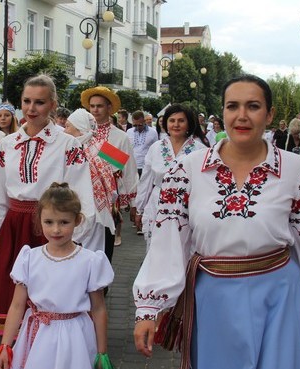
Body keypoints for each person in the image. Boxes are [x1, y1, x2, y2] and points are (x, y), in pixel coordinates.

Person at [133, 75, 300, 369]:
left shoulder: (297, 171)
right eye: (233, 106)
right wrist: (150, 307)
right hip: (213, 300)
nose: (241, 116)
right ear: (222, 113)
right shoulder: (188, 169)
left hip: (279, 297)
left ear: (270, 114)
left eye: (253, 106)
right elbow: (168, 240)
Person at [0, 75, 95, 369]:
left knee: (46, 316)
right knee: (16, 314)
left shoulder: (68, 145)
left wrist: (74, 246)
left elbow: (81, 198)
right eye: (27, 101)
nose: (31, 109)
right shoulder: (6, 145)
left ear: (53, 106)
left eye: (40, 103)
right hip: (14, 230)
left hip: (51, 230)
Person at [0, 183, 114, 369]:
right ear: (39, 221)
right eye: (49, 222)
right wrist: (6, 345)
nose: (56, 229)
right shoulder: (30, 257)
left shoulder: (89, 261)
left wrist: (102, 351)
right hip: (37, 340)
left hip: (71, 339)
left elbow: (99, 308)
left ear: (77, 221)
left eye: (63, 222)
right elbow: (16, 306)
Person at [133, 104, 207, 247]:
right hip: (158, 203)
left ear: (189, 124)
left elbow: (204, 184)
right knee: (156, 246)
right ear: (166, 123)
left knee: (183, 247)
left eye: (181, 121)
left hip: (187, 206)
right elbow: (146, 180)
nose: (176, 125)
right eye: (172, 120)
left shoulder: (201, 150)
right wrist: (140, 208)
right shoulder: (156, 148)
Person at [80, 86, 137, 255]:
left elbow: (128, 170)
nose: (95, 110)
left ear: (109, 108)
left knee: (104, 245)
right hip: (83, 195)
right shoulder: (82, 134)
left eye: (100, 106)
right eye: (92, 106)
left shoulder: (120, 137)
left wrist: (134, 203)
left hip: (108, 196)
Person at [63, 109, 118, 253]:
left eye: (68, 126)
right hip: (73, 206)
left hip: (97, 211)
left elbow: (124, 169)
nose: (64, 130)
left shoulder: (109, 142)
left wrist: (129, 202)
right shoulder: (67, 147)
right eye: (92, 105)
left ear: (80, 128)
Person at [126, 110, 158, 176]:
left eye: (140, 125)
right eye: (135, 125)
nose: (137, 127)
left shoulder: (153, 132)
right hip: (133, 166)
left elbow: (156, 150)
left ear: (144, 121)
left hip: (147, 167)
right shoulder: (129, 132)